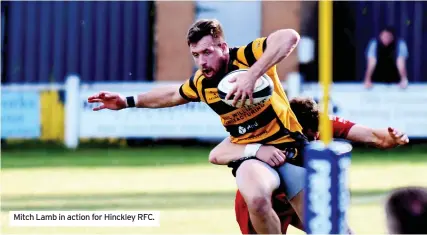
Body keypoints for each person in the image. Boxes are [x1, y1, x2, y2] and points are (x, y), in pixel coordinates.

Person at [88, 19, 307, 234]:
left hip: (289, 147)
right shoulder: (201, 83)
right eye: (196, 55)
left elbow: (289, 37)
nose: (201, 61)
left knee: (323, 225)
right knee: (257, 201)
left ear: (222, 47)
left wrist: (251, 76)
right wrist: (126, 102)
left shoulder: (246, 57)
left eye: (207, 52)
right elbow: (172, 94)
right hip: (250, 155)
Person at [209, 96, 410, 234]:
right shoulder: (266, 130)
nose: (314, 141)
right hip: (266, 203)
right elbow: (217, 153)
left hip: (300, 194)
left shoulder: (319, 123)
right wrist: (256, 151)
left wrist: (393, 137)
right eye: (308, 136)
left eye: (316, 135)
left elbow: (374, 136)